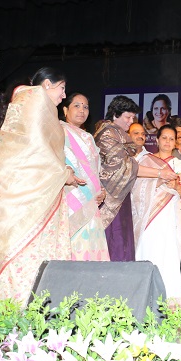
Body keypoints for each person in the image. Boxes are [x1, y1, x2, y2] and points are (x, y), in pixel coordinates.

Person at [0, 67, 84, 304]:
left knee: (21, 254)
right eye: (61, 88)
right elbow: (38, 155)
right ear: (46, 85)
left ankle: (11, 309)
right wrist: (64, 174)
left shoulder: (25, 104)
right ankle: (27, 309)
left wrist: (63, 173)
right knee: (29, 254)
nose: (64, 95)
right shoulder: (36, 102)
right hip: (30, 198)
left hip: (22, 196)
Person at [95, 96, 177, 262]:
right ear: (115, 114)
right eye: (128, 117)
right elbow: (125, 167)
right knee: (113, 244)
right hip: (110, 198)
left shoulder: (119, 134)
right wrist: (159, 173)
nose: (131, 121)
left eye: (133, 117)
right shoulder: (107, 134)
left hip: (121, 196)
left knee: (122, 243)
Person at [133, 125, 181, 307]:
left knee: (169, 256)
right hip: (147, 218)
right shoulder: (144, 161)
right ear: (157, 140)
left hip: (169, 218)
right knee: (146, 252)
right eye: (164, 138)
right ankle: (143, 299)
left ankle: (169, 301)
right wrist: (158, 181)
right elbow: (134, 188)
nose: (167, 142)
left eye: (171, 139)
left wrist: (175, 186)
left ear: (175, 143)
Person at [60, 93, 109, 261]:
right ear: (65, 110)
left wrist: (101, 190)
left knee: (91, 250)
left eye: (85, 107)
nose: (82, 110)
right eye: (77, 106)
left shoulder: (88, 137)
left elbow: (94, 170)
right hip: (70, 196)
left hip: (92, 201)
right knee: (73, 248)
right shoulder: (59, 131)